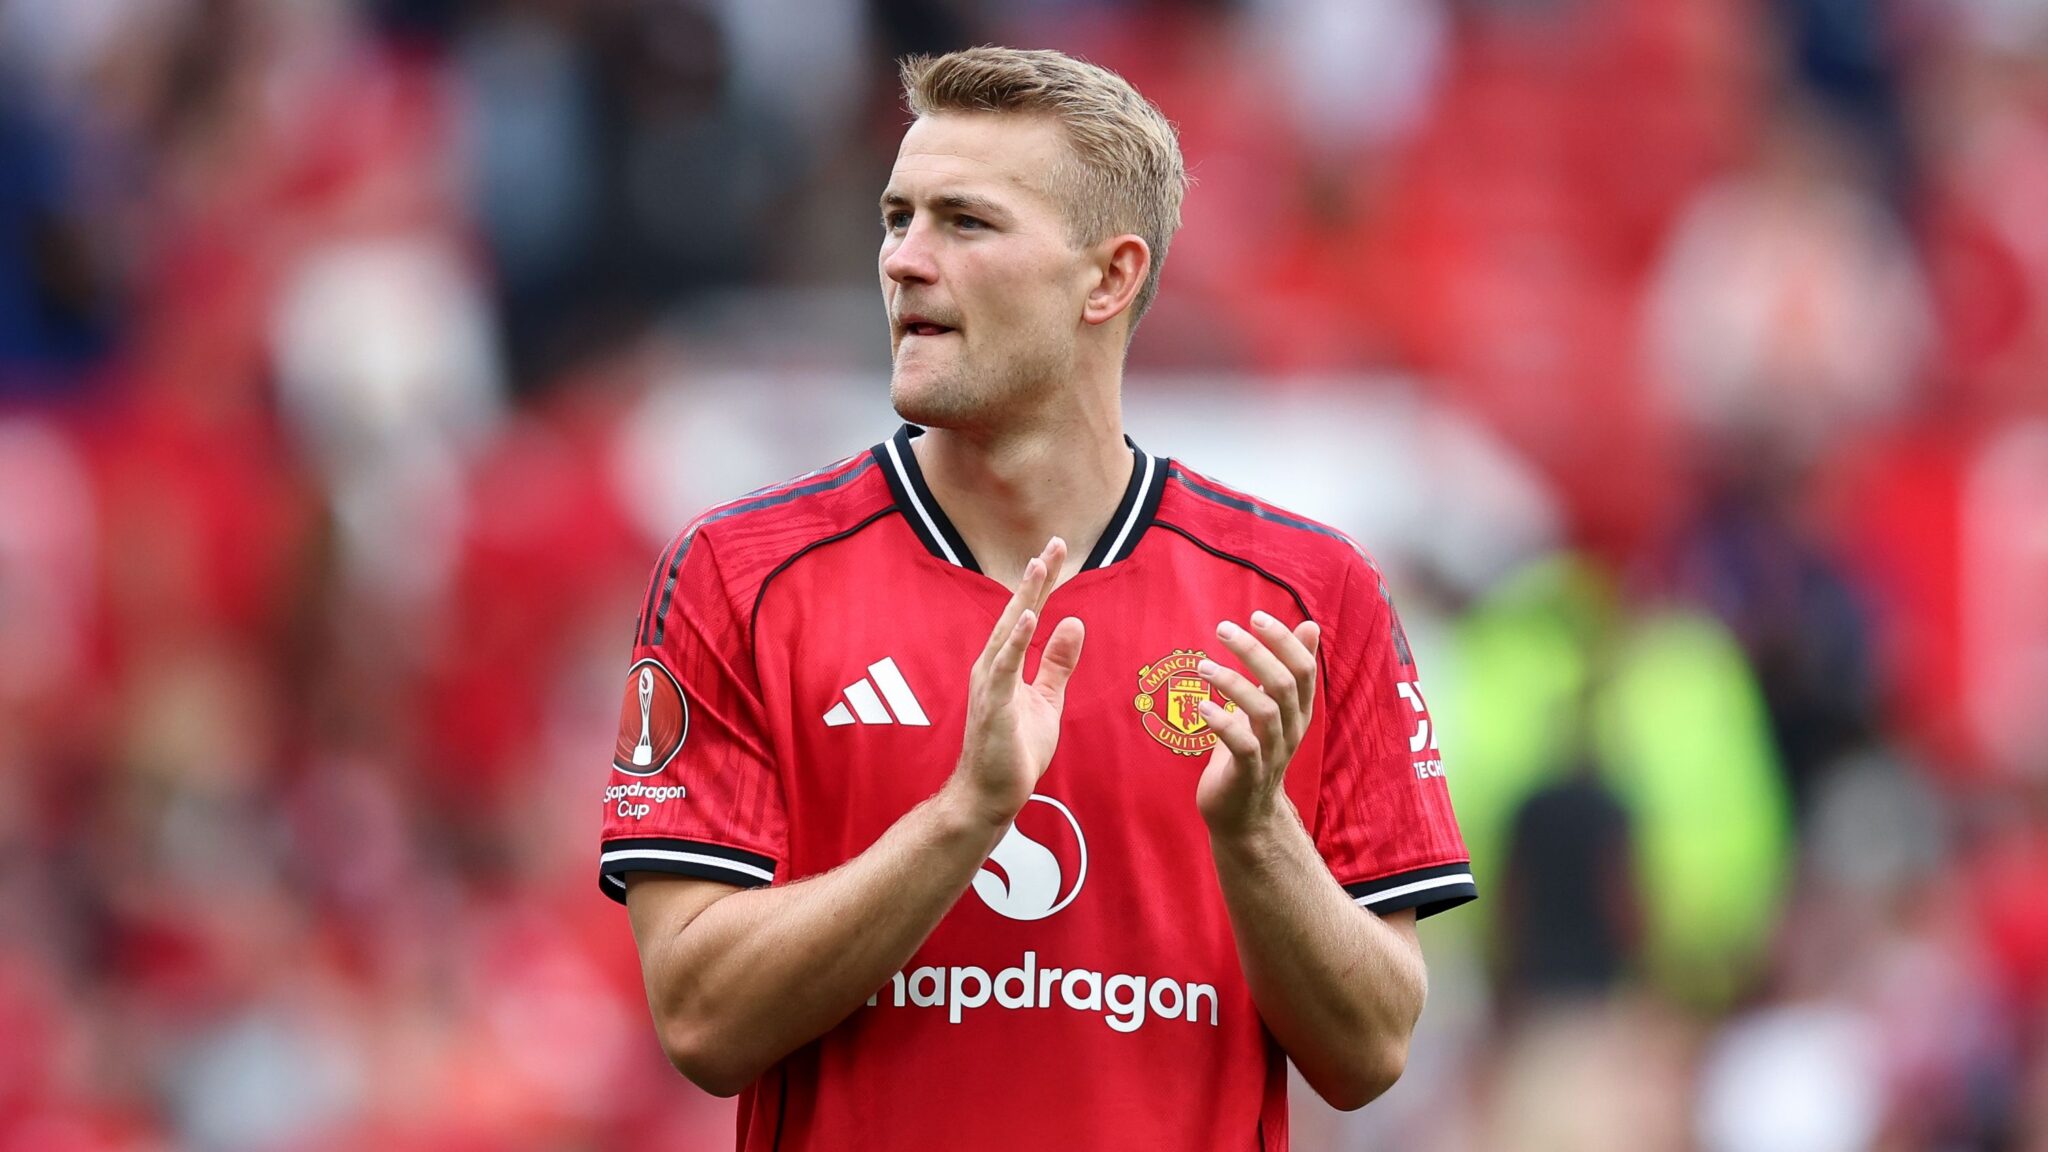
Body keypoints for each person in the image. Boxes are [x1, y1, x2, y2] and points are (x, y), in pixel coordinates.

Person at [599, 46, 1475, 1151]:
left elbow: (1371, 1052)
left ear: (1107, 279)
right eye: (896, 218)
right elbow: (699, 1020)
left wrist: (1258, 838)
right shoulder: (741, 573)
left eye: (965, 223)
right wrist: (961, 818)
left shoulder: (1305, 595)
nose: (904, 260)